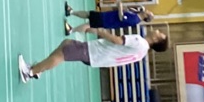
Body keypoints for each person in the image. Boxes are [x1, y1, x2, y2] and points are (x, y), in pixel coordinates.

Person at [19, 27, 168, 82]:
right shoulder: (142, 53)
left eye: (159, 34)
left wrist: (99, 31)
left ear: (156, 40)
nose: (157, 31)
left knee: (63, 54)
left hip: (95, 52)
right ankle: (40, 68)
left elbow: (117, 41)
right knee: (66, 43)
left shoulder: (139, 41)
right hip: (98, 57)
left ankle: (30, 72)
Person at [65, 1, 154, 29]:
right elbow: (123, 11)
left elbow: (122, 18)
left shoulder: (135, 20)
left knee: (88, 24)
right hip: (107, 16)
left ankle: (71, 30)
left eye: (149, 12)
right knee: (89, 14)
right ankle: (71, 12)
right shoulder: (135, 13)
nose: (147, 10)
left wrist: (120, 7)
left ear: (146, 16)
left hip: (107, 21)